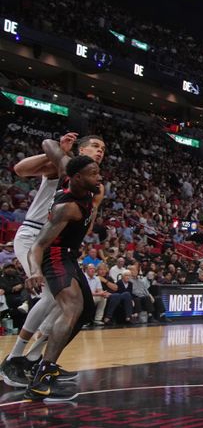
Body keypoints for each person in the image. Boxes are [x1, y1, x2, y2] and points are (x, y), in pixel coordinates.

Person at [1, 134, 105, 388]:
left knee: (72, 305)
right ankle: (14, 359)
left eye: (103, 148)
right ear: (80, 148)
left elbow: (86, 227)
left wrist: (97, 203)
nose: (100, 151)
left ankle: (36, 359)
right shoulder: (61, 164)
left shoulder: (91, 181)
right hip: (34, 234)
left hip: (58, 243)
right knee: (52, 298)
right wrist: (57, 148)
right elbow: (20, 169)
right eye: (95, 146)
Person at [23, 156, 102, 401]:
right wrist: (35, 272)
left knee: (87, 311)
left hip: (69, 256)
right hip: (55, 256)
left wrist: (61, 145)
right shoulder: (66, 207)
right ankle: (41, 379)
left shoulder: (78, 182)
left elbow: (57, 154)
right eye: (93, 173)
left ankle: (45, 363)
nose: (99, 178)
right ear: (78, 177)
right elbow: (38, 245)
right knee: (72, 308)